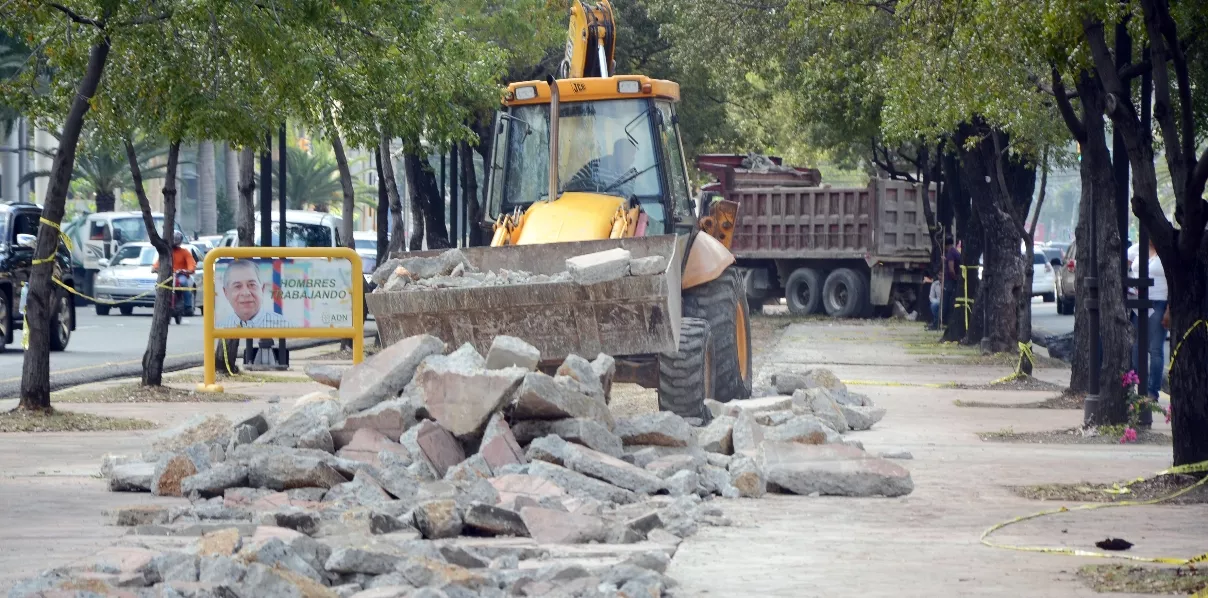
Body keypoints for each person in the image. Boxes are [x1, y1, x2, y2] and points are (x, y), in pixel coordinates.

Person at [1132, 239, 1170, 400]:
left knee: (1155, 349)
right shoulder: (1138, 249)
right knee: (1136, 347)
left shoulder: (1166, 252)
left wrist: (1169, 310)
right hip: (1139, 303)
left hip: (1159, 303)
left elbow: (1173, 282)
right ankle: (1139, 385)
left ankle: (1152, 391)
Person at [218, 259, 290, 329]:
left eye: (252, 285)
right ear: (226, 292)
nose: (246, 293)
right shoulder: (218, 330)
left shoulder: (286, 328)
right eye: (237, 286)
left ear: (262, 289)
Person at [564, 138, 638, 197]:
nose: (632, 160)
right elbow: (571, 186)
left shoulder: (630, 177)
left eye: (633, 157)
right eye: (630, 155)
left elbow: (633, 201)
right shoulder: (594, 166)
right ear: (618, 153)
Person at [152, 231, 197, 313]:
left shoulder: (185, 252)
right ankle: (159, 304)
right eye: (173, 240)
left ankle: (188, 306)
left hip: (180, 275)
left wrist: (189, 270)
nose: (175, 242)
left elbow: (191, 263)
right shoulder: (166, 252)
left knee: (183, 283)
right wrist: (155, 268)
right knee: (159, 285)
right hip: (167, 275)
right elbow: (158, 263)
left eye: (177, 240)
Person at [942, 236, 961, 329]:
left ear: (945, 245)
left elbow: (951, 269)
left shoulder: (950, 253)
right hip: (953, 280)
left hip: (950, 281)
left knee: (946, 301)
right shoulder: (955, 252)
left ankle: (943, 321)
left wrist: (955, 278)